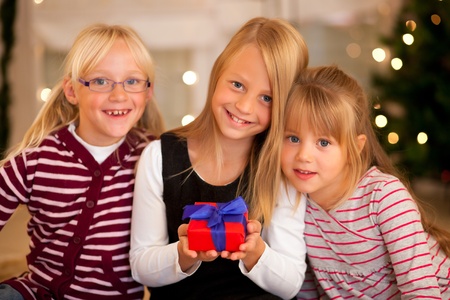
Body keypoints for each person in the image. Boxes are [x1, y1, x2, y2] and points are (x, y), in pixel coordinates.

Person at [130, 17, 309, 300]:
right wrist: (184, 252)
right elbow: (141, 266)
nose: (244, 106)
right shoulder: (159, 157)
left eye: (267, 98)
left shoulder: (281, 170)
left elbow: (290, 284)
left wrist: (255, 252)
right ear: (217, 73)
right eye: (237, 84)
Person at [0, 23, 164, 299]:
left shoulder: (153, 156)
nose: (119, 95)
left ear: (148, 91)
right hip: (37, 291)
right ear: (72, 91)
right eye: (101, 81)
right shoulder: (36, 157)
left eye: (133, 81)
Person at [280, 65, 450, 299]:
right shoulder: (295, 205)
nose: (303, 156)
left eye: (323, 142)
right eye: (293, 138)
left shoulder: (384, 196)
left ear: (354, 149)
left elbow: (421, 291)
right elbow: (308, 290)